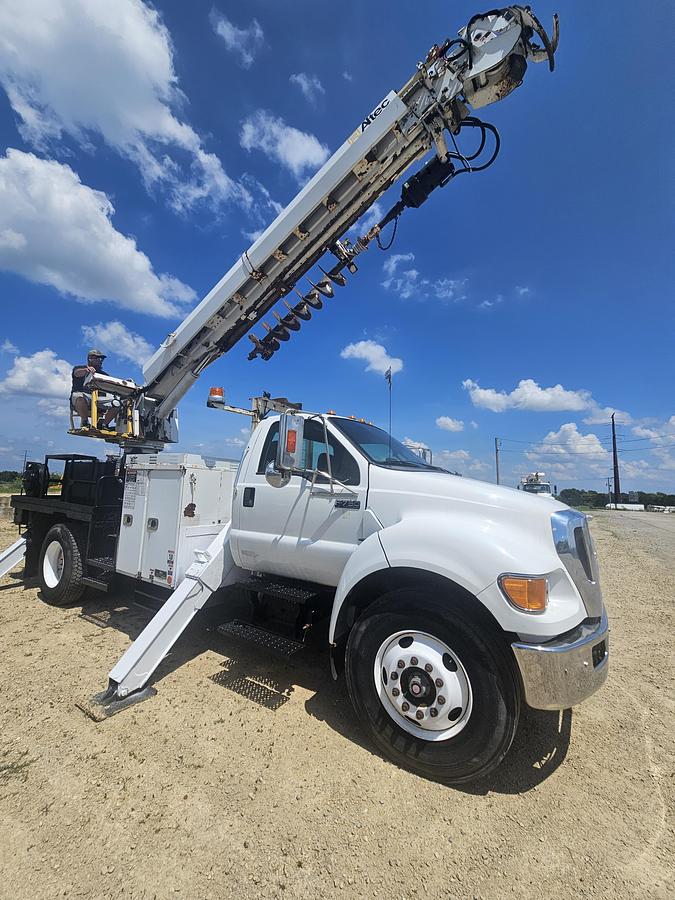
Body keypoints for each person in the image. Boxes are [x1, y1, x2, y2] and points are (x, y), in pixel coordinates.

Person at [70, 349, 116, 429]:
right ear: (90, 358)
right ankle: (85, 422)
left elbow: (112, 384)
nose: (101, 360)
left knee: (117, 403)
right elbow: (76, 373)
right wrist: (86, 370)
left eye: (102, 359)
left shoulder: (104, 375)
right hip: (84, 396)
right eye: (98, 358)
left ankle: (103, 424)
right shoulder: (79, 368)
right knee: (80, 397)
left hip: (98, 399)